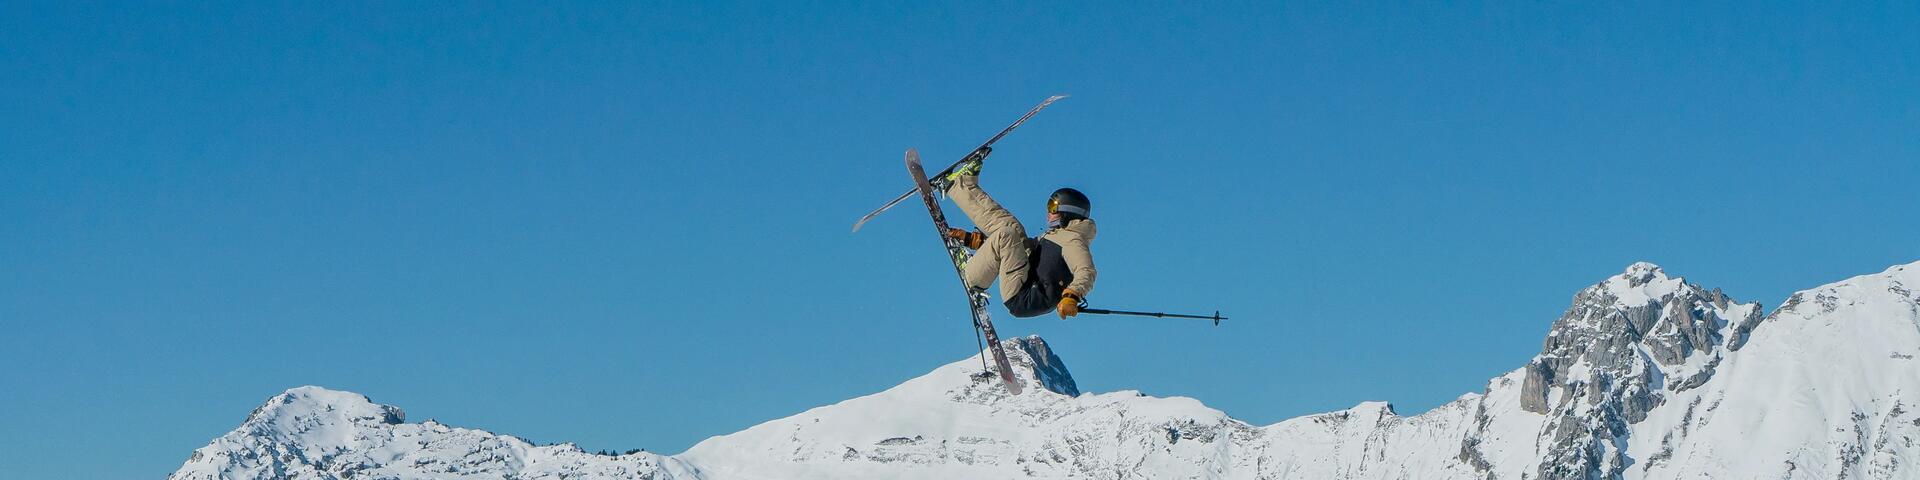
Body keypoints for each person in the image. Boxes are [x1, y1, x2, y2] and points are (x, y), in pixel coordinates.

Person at [940, 159, 1097, 319]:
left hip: (1027, 296)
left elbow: (1086, 271)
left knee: (1007, 234)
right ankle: (959, 185)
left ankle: (972, 277)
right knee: (1012, 228)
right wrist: (976, 241)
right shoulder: (1056, 235)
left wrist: (1072, 296)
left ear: (1067, 213)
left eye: (1053, 207)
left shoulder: (1073, 240)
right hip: (1027, 279)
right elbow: (1018, 249)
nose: (1048, 213)